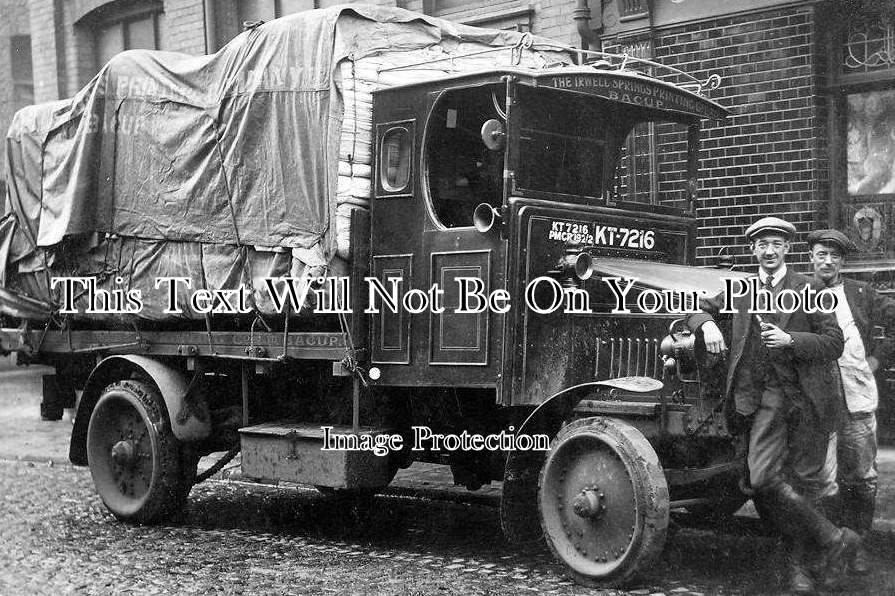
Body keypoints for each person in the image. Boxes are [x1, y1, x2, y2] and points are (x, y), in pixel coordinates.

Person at [685, 216, 857, 594]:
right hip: (761, 401)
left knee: (803, 485)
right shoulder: (740, 289)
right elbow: (691, 310)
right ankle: (833, 538)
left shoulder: (809, 288)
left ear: (787, 249)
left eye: (776, 244)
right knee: (763, 479)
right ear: (753, 250)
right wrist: (705, 324)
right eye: (762, 244)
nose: (768, 251)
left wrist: (790, 339)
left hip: (805, 403)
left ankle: (799, 572)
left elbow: (834, 343)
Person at [808, 228, 895, 575]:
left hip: (857, 396)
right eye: (821, 254)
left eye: (834, 255)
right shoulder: (798, 292)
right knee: (822, 480)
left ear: (842, 260)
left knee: (861, 475)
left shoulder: (863, 293)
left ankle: (857, 543)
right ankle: (830, 546)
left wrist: (877, 359)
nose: (827, 261)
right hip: (817, 403)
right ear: (811, 257)